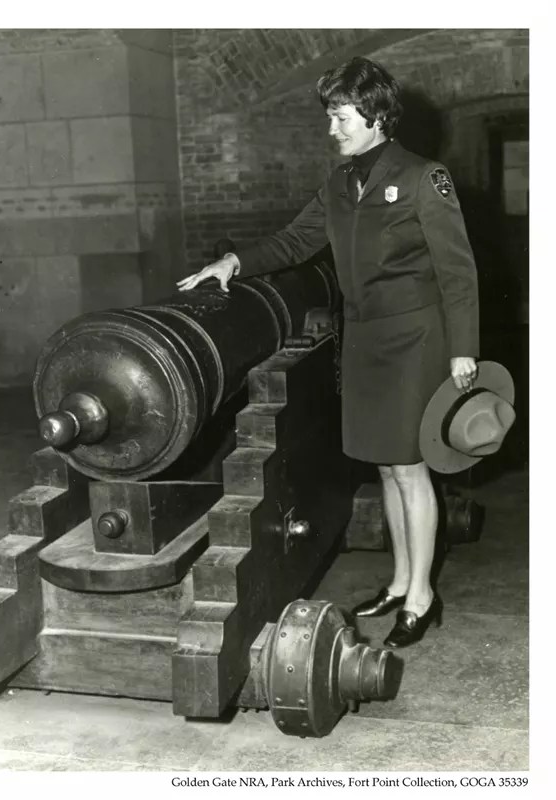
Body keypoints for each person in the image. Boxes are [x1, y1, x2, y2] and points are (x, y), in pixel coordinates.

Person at [177, 57, 479, 648]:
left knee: (412, 469)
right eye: (330, 117)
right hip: (366, 343)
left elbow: (458, 273)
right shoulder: (340, 184)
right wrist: (233, 263)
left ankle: (422, 596)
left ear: (375, 116)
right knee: (387, 466)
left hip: (417, 343)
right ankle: (398, 581)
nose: (332, 129)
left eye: (341, 117)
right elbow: (295, 240)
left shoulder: (424, 177)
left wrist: (463, 351)